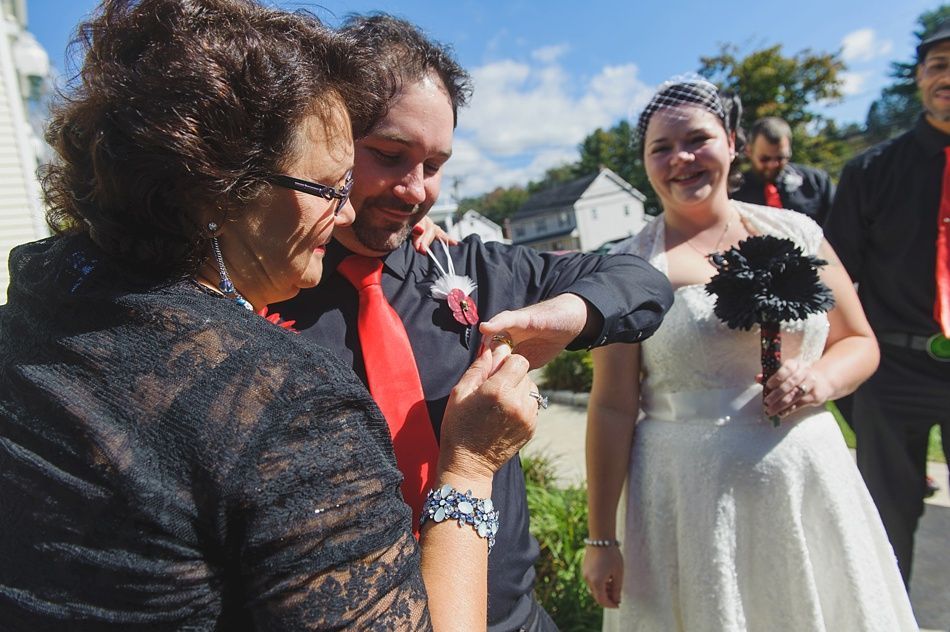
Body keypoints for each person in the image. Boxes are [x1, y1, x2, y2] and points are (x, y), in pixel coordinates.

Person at [0, 1, 540, 629]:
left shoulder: (37, 317)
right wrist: (470, 468)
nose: (342, 216)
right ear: (219, 183)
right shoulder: (285, 410)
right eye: (329, 187)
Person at [272, 14, 673, 631]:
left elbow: (640, 281)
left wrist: (567, 315)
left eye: (434, 166)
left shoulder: (469, 269)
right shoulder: (262, 292)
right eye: (388, 155)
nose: (413, 190)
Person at [582, 78, 917, 631]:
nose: (681, 159)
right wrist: (602, 539)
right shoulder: (627, 268)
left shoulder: (798, 233)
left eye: (697, 140)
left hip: (810, 487)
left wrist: (821, 380)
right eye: (660, 149)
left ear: (732, 142)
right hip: (689, 505)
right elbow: (613, 406)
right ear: (643, 163)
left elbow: (859, 342)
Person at [823, 19, 950, 586]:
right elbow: (835, 281)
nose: (947, 76)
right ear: (920, 78)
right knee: (886, 522)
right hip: (894, 371)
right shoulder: (870, 173)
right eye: (938, 65)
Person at [732, 116, 835, 224]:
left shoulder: (815, 181)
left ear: (789, 150)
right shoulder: (734, 190)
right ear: (749, 151)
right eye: (765, 159)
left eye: (780, 158)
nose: (773, 164)